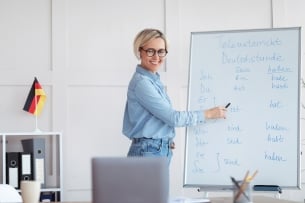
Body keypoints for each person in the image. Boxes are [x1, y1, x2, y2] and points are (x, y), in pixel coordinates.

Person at [122, 28, 227, 165]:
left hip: (154, 150)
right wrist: (208, 114)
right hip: (148, 152)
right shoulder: (142, 83)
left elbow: (155, 118)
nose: (156, 57)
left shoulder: (153, 80)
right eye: (150, 51)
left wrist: (164, 139)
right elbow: (173, 118)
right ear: (139, 52)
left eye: (161, 51)